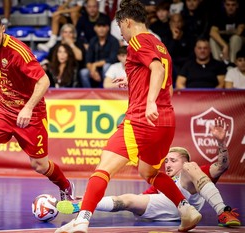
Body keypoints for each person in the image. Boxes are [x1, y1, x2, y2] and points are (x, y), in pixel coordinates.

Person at [54, 1, 201, 233]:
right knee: (149, 172)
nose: (121, 34)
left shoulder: (137, 40)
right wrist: (133, 81)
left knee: (103, 169)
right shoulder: (159, 44)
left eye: (120, 28)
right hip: (165, 121)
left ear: (127, 22)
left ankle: (82, 220)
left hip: (142, 120)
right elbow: (166, 85)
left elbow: (157, 71)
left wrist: (149, 101)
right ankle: (186, 209)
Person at [0, 12, 75, 222]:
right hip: (2, 110)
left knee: (39, 165)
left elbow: (44, 81)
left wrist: (28, 108)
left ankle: (65, 185)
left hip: (30, 113)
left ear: (3, 29)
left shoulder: (18, 51)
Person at [57, 118, 241, 227]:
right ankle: (83, 205)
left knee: (189, 169)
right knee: (127, 199)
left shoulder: (195, 169)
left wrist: (221, 143)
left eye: (173, 160)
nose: (167, 164)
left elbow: (222, 166)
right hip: (167, 205)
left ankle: (223, 212)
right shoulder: (164, 183)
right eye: (166, 160)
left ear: (185, 160)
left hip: (190, 203)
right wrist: (91, 197)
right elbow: (138, 198)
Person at [79, 17, 120, 88]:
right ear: (95, 28)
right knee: (83, 72)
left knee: (106, 66)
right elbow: (88, 60)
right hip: (95, 70)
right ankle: (89, 95)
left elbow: (112, 59)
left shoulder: (114, 41)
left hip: (111, 69)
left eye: (103, 26)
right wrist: (93, 71)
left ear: (107, 28)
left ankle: (106, 92)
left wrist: (95, 65)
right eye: (99, 26)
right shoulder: (93, 41)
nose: (101, 29)